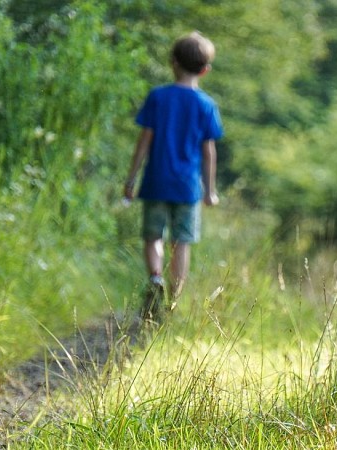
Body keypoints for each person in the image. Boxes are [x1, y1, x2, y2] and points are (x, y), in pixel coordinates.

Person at [124, 31, 224, 323]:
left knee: (153, 236)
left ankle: (155, 277)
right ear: (205, 70)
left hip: (156, 181)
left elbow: (143, 141)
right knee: (181, 243)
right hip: (188, 188)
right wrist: (210, 190)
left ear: (172, 63)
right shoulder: (206, 106)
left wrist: (131, 179)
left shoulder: (158, 97)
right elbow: (208, 153)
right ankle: (172, 302)